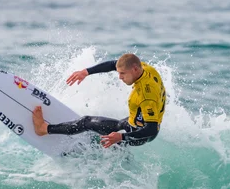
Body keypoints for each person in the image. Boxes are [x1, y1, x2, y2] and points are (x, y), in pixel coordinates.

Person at [32, 53, 166, 148]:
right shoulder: (144, 68)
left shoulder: (146, 95)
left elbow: (151, 130)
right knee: (110, 129)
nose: (119, 77)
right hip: (134, 121)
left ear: (135, 69)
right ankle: (114, 148)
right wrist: (86, 72)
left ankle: (43, 129)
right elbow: (114, 64)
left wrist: (122, 137)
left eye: (122, 74)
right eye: (119, 73)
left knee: (86, 122)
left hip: (138, 134)